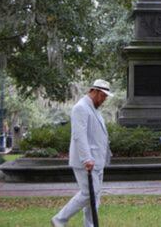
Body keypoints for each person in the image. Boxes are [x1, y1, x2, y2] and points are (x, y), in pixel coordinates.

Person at [51, 79, 114, 227]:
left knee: (95, 197)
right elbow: (79, 135)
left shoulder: (94, 109)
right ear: (95, 91)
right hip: (86, 161)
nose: (104, 99)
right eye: (103, 96)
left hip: (98, 161)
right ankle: (60, 219)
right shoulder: (81, 108)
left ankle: (90, 225)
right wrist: (87, 158)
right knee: (88, 193)